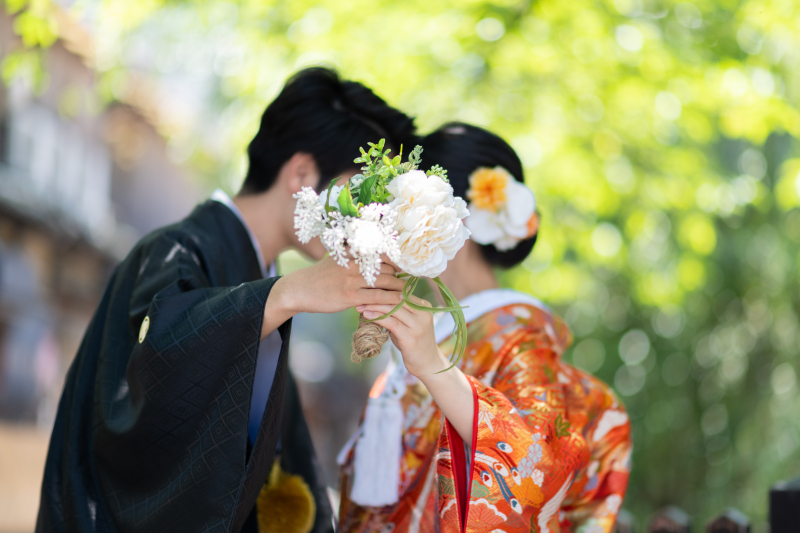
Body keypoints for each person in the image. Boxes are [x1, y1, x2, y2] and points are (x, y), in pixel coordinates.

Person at [36, 67, 416, 533]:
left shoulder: (265, 277)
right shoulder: (176, 251)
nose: (371, 217)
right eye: (361, 193)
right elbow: (153, 372)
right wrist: (285, 294)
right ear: (301, 173)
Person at [338, 123, 632, 533]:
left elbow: (535, 467)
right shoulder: (431, 326)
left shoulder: (519, 332)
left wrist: (434, 368)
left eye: (401, 206)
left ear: (445, 214)